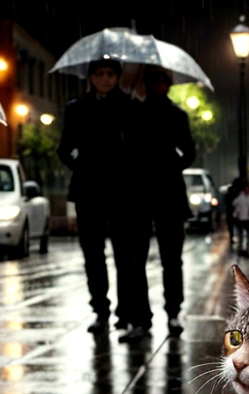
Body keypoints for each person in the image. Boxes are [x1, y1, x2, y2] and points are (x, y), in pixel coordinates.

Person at [57, 59, 132, 334]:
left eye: (110, 74)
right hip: (88, 191)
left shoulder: (128, 107)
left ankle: (124, 312)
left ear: (117, 77)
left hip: (121, 191)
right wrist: (82, 164)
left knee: (124, 255)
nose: (105, 79)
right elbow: (64, 149)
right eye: (99, 74)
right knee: (92, 254)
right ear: (90, 77)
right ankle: (100, 309)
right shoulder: (76, 108)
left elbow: (136, 147)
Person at [122, 66, 196, 340]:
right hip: (138, 195)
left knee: (171, 259)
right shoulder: (132, 113)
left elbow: (189, 152)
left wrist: (168, 167)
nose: (154, 85)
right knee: (136, 260)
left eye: (159, 80)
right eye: (150, 80)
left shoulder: (177, 115)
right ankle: (142, 318)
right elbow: (125, 150)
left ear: (167, 84)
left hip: (168, 194)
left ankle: (173, 312)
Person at [231, 179, 249, 256]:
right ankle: (240, 249)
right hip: (240, 218)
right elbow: (235, 205)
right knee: (241, 235)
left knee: (248, 235)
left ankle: (247, 250)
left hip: (248, 218)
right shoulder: (240, 197)